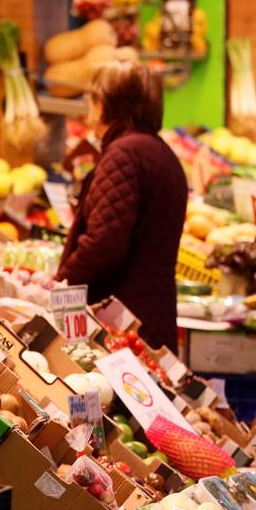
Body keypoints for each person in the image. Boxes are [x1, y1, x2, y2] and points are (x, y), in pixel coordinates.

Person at [58, 61, 187, 351]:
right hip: (152, 312)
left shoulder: (124, 154)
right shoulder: (159, 151)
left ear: (107, 104)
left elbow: (104, 242)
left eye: (92, 97)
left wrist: (61, 284)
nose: (88, 107)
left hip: (124, 319)